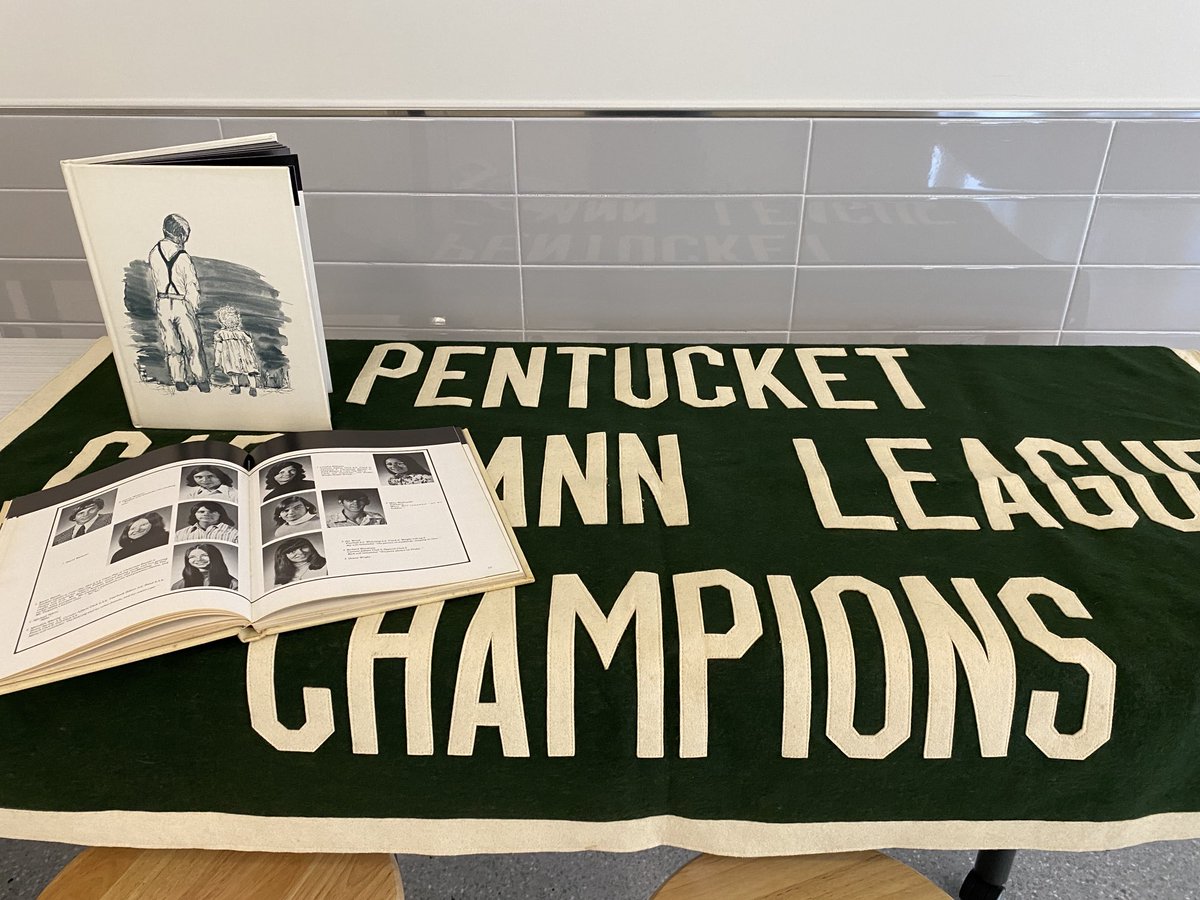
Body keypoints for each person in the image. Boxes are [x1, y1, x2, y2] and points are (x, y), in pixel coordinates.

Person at [148, 213, 209, 393]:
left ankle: (179, 380)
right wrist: (194, 306)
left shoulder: (154, 252)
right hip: (182, 302)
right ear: (180, 235)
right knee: (193, 345)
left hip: (162, 302)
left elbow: (156, 277)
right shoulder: (183, 256)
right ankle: (201, 381)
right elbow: (192, 284)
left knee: (171, 344)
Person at [212, 305, 261, 397]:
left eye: (234, 319)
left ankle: (246, 388)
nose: (232, 321)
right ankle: (243, 387)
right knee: (239, 372)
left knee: (243, 372)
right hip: (237, 356)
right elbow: (218, 348)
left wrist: (217, 360)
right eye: (229, 319)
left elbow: (249, 342)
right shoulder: (226, 334)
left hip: (239, 356)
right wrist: (217, 360)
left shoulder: (235, 333)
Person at [171, 544, 238, 590]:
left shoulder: (233, 584)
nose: (198, 559)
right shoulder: (178, 586)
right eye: (192, 557)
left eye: (204, 555)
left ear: (215, 557)